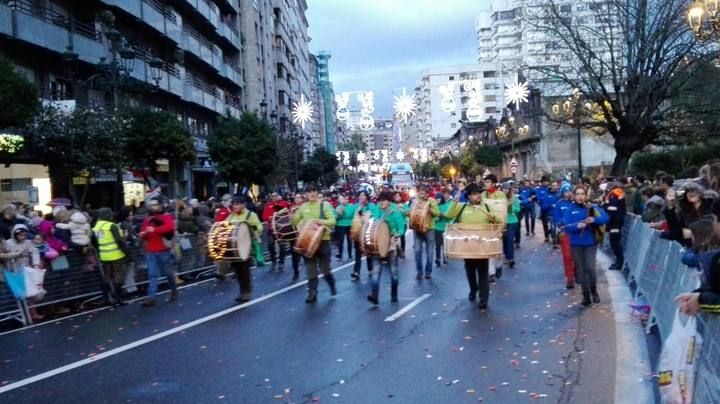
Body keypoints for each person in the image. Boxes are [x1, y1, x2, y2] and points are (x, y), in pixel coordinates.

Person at [444, 183, 503, 309]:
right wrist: (455, 199)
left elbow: (499, 221)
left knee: (483, 272)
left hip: (483, 246)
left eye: (479, 194)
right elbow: (448, 215)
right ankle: (473, 289)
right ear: (469, 196)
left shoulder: (486, 207)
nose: (478, 196)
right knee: (470, 271)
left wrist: (494, 218)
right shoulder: (462, 207)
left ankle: (483, 299)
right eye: (475, 194)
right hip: (467, 246)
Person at [562, 186, 609, 307]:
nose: (580, 196)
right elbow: (566, 226)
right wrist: (577, 226)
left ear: (585, 196)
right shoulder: (570, 209)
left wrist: (594, 219)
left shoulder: (591, 207)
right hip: (576, 244)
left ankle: (594, 291)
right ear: (574, 196)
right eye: (577, 194)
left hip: (590, 243)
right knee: (581, 271)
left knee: (590, 268)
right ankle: (586, 296)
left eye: (582, 194)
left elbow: (606, 218)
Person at [291, 184, 337, 303]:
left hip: (323, 241)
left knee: (324, 269)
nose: (311, 193)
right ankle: (312, 292)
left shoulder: (325, 205)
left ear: (317, 193)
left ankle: (331, 283)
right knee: (310, 270)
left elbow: (333, 221)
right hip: (307, 242)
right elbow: (294, 221)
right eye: (309, 191)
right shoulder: (302, 207)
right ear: (305, 194)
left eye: (313, 191)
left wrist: (321, 221)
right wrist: (292, 215)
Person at [366, 191, 405, 305]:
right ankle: (374, 296)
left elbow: (401, 227)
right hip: (378, 243)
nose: (382, 203)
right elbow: (373, 223)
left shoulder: (395, 211)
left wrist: (398, 233)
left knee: (393, 271)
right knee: (376, 271)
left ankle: (394, 294)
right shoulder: (377, 210)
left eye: (384, 200)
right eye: (380, 201)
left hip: (391, 243)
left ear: (388, 201)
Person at [139, 197, 177, 307]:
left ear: (160, 205)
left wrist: (154, 230)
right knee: (152, 274)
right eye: (151, 205)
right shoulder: (147, 219)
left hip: (163, 250)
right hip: (150, 250)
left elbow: (169, 227)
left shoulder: (166, 216)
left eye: (154, 204)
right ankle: (151, 297)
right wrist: (143, 234)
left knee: (168, 273)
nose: (152, 207)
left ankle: (174, 290)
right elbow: (144, 231)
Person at [226, 195, 262, 303]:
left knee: (244, 269)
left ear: (243, 204)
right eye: (233, 204)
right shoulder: (231, 216)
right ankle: (241, 291)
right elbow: (225, 227)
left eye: (237, 204)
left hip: (246, 246)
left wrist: (250, 226)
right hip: (234, 247)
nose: (235, 206)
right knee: (237, 270)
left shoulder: (251, 215)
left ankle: (247, 292)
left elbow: (259, 227)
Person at [92, 207, 131, 305]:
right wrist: (128, 253)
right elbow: (119, 240)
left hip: (104, 255)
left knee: (107, 277)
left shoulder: (96, 227)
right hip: (116, 254)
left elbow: (94, 241)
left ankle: (108, 298)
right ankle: (118, 298)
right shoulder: (112, 226)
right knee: (118, 276)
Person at [411, 185, 440, 280]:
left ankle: (428, 272)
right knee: (417, 251)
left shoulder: (432, 201)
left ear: (427, 193)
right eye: (420, 192)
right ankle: (419, 272)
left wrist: (428, 208)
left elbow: (437, 213)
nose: (421, 194)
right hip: (417, 229)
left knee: (430, 252)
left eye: (423, 192)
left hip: (429, 229)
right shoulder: (414, 201)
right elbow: (409, 212)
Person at [261, 191, 291, 270]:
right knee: (270, 246)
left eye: (276, 195)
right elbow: (264, 217)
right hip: (271, 229)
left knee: (282, 247)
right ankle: (273, 261)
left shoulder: (284, 203)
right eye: (273, 196)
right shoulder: (268, 205)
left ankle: (281, 263)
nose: (274, 197)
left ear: (279, 196)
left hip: (282, 229)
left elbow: (290, 212)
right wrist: (270, 218)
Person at [554, 189, 576, 289]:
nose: (568, 193)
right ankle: (569, 278)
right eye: (566, 191)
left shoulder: (576, 203)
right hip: (565, 232)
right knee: (567, 256)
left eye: (569, 191)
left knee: (576, 256)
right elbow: (556, 218)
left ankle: (576, 272)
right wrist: (561, 223)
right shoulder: (559, 204)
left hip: (577, 233)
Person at [351, 191, 375, 281]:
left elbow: (375, 215)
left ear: (367, 197)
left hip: (368, 231)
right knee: (358, 253)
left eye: (363, 195)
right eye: (360, 195)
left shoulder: (371, 206)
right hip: (358, 232)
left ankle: (370, 269)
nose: (362, 197)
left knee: (369, 251)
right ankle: (356, 272)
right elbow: (351, 216)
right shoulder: (355, 206)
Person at [604, 182, 627, 271]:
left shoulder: (613, 195)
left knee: (614, 242)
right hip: (618, 220)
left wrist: (608, 224)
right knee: (615, 242)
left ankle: (619, 263)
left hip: (615, 222)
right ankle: (618, 261)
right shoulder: (618, 193)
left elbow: (612, 210)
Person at [501, 182, 521, 268]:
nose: (505, 190)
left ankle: (511, 258)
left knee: (509, 238)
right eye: (503, 188)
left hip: (512, 221)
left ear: (509, 189)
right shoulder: (499, 197)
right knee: (504, 239)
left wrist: (511, 207)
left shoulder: (514, 198)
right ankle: (506, 255)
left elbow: (518, 209)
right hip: (503, 221)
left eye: (507, 188)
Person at [334, 193, 356, 262]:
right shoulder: (338, 207)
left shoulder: (352, 207)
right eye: (344, 199)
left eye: (347, 199)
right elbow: (335, 217)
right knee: (341, 241)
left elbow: (354, 216)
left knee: (350, 241)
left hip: (350, 225)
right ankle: (340, 256)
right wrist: (339, 213)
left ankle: (350, 255)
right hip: (340, 225)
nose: (345, 200)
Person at [435, 191, 451, 267]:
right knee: (437, 244)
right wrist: (438, 218)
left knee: (445, 244)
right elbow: (433, 218)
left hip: (445, 227)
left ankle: (445, 257)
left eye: (439, 198)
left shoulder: (447, 205)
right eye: (436, 198)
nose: (438, 200)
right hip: (437, 228)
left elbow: (449, 216)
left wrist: (443, 215)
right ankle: (438, 258)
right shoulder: (435, 207)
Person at [393, 191, 409, 258]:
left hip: (403, 223)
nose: (397, 197)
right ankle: (396, 250)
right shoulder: (391, 205)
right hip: (394, 224)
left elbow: (407, 214)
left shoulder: (404, 205)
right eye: (395, 196)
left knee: (402, 237)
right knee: (394, 238)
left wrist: (401, 209)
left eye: (398, 196)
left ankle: (403, 251)